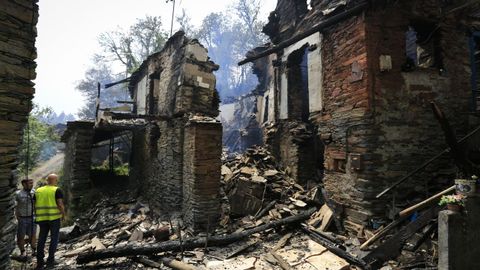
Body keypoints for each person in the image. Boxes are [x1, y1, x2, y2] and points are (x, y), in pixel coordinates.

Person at [34, 174, 65, 269]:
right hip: (54, 218)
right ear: (55, 180)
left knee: (41, 239)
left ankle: (40, 262)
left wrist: (37, 215)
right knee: (54, 238)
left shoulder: (38, 190)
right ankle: (50, 261)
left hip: (42, 219)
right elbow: (60, 204)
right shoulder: (56, 190)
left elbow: (35, 204)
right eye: (57, 180)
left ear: (47, 180)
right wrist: (63, 214)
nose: (57, 181)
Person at [15, 179, 36, 256]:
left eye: (32, 183)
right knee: (21, 235)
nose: (32, 184)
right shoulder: (18, 194)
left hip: (32, 217)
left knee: (33, 235)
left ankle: (34, 250)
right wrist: (17, 216)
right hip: (22, 218)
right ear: (24, 184)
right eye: (30, 183)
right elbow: (15, 206)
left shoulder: (34, 192)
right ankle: (22, 251)